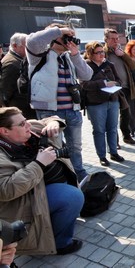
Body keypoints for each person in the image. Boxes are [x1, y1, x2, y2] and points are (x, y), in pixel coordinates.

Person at [0, 107, 84, 255]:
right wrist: (39, 164)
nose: (28, 125)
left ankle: (60, 220)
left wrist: (54, 123)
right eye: (21, 124)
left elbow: (48, 119)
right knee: (72, 197)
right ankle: (61, 244)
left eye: (25, 120)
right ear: (4, 131)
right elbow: (6, 190)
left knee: (71, 197)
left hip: (45, 187)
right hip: (24, 202)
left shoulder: (27, 128)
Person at [25, 23, 93, 182]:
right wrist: (59, 30)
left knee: (75, 147)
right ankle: (62, 176)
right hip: (50, 113)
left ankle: (79, 173)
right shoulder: (40, 55)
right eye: (66, 37)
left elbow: (87, 75)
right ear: (53, 36)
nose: (70, 40)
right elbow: (31, 42)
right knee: (54, 148)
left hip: (72, 109)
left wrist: (76, 55)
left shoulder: (70, 57)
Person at [81, 42, 125, 167]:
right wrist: (103, 83)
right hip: (96, 103)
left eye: (102, 52)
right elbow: (84, 84)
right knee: (99, 130)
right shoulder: (86, 66)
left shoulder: (109, 64)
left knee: (112, 128)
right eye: (98, 52)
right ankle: (102, 156)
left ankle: (114, 152)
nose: (101, 54)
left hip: (113, 100)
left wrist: (116, 84)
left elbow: (119, 80)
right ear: (90, 54)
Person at [104, 28, 135, 145]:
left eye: (117, 38)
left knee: (126, 114)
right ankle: (114, 142)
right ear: (106, 39)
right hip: (112, 89)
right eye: (112, 39)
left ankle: (126, 136)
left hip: (126, 87)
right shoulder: (103, 53)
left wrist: (123, 55)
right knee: (112, 117)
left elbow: (133, 66)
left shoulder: (120, 51)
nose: (115, 41)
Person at [0, 33, 36, 119]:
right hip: (20, 110)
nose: (30, 48)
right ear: (15, 45)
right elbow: (5, 91)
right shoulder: (12, 63)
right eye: (26, 45)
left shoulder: (19, 60)